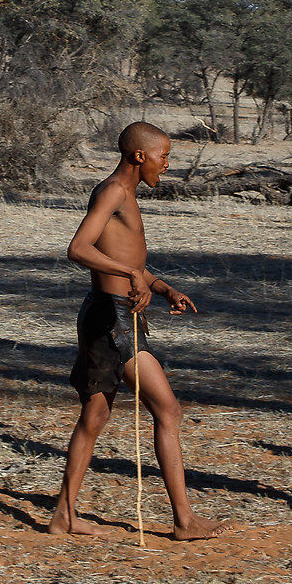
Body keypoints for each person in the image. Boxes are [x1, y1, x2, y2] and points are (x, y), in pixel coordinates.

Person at [50, 121, 222, 541]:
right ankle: (184, 521)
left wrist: (162, 287)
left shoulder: (125, 195)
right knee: (168, 411)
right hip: (111, 319)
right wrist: (131, 274)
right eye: (164, 156)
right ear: (140, 156)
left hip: (117, 315)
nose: (167, 165)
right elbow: (79, 249)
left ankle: (62, 516)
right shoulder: (113, 191)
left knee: (95, 416)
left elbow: (126, 259)